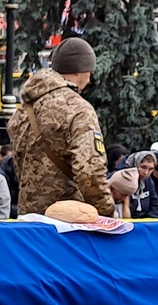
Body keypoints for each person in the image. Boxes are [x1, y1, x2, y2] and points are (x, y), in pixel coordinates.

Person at [11, 41, 113, 218]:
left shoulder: (23, 110)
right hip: (68, 220)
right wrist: (106, 211)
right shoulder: (78, 109)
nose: (89, 80)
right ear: (79, 70)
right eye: (89, 72)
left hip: (29, 218)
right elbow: (89, 171)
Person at [108, 149, 158, 220]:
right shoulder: (121, 177)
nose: (146, 173)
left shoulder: (148, 181)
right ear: (136, 164)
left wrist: (151, 220)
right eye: (143, 167)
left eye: (151, 169)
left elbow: (154, 204)